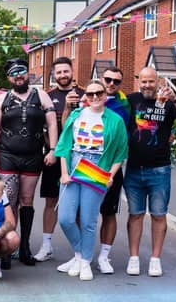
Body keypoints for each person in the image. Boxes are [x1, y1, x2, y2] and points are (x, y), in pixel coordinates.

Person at [0, 57, 57, 266]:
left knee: (27, 200)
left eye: (22, 71)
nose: (18, 76)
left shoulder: (41, 95)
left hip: (33, 156)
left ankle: (24, 247)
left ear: (27, 74)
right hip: (8, 155)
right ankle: (8, 247)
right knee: (9, 200)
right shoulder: (3, 99)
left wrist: (52, 149)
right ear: (8, 78)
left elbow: (52, 125)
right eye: (14, 73)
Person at [125, 67, 176, 277]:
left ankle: (155, 259)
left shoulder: (168, 102)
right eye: (144, 81)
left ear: (158, 81)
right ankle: (134, 258)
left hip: (160, 170)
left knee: (158, 215)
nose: (147, 85)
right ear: (139, 82)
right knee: (135, 214)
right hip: (134, 169)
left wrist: (175, 100)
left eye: (151, 81)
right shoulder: (131, 100)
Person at [55, 80, 128, 281]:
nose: (94, 97)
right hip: (74, 168)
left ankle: (85, 261)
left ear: (105, 95)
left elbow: (120, 153)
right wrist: (63, 173)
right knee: (66, 218)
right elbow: (63, 146)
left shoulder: (115, 120)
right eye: (90, 94)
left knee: (88, 220)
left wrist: (110, 176)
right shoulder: (76, 116)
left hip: (97, 169)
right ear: (85, 96)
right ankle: (79, 254)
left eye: (99, 93)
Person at [35, 57, 84, 263]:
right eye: (59, 72)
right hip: (55, 156)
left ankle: (81, 251)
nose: (63, 75)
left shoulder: (84, 94)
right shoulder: (47, 96)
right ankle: (46, 246)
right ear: (53, 75)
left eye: (66, 71)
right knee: (51, 201)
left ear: (72, 72)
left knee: (80, 205)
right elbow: (43, 127)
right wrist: (51, 150)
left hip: (80, 157)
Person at [96, 67, 130, 274]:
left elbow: (121, 141)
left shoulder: (123, 106)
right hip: (85, 167)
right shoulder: (87, 99)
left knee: (108, 213)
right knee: (81, 214)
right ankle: (81, 255)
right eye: (108, 79)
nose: (111, 84)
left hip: (111, 168)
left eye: (116, 81)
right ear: (101, 79)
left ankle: (104, 256)